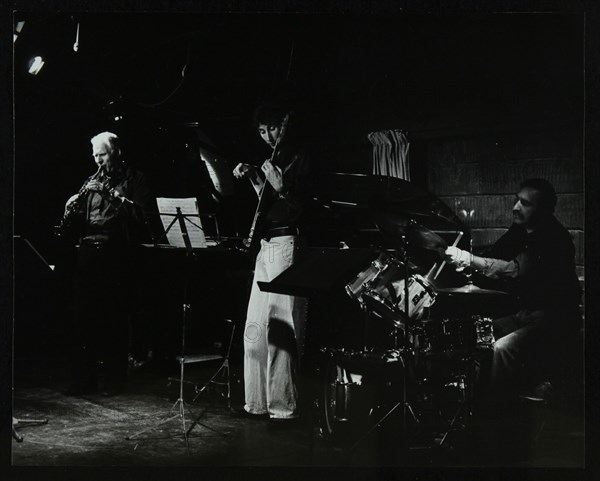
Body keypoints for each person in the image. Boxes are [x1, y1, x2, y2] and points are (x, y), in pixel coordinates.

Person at [444, 178, 582, 409]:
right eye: (517, 200)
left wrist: (466, 259)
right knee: (479, 333)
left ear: (543, 209)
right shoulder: (521, 229)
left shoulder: (554, 238)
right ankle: (472, 395)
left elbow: (515, 269)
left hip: (555, 318)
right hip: (527, 312)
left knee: (502, 347)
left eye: (525, 203)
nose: (515, 207)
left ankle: (496, 407)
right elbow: (496, 253)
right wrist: (468, 262)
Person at [232, 101, 310, 424]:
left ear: (285, 123)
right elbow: (269, 204)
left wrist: (282, 186)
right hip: (267, 246)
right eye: (263, 132)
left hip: (287, 243)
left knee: (281, 328)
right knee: (254, 327)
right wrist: (254, 178)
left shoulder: (300, 158)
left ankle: (283, 406)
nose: (268, 137)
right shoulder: (275, 158)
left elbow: (300, 209)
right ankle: (256, 402)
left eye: (273, 129)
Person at [63, 131, 152, 396]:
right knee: (83, 319)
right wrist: (72, 207)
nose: (97, 161)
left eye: (101, 155)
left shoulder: (136, 179)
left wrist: (111, 195)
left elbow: (142, 216)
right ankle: (83, 381)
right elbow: (77, 221)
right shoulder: (91, 181)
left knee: (114, 318)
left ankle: (114, 381)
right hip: (88, 251)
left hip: (117, 253)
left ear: (115, 153)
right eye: (94, 156)